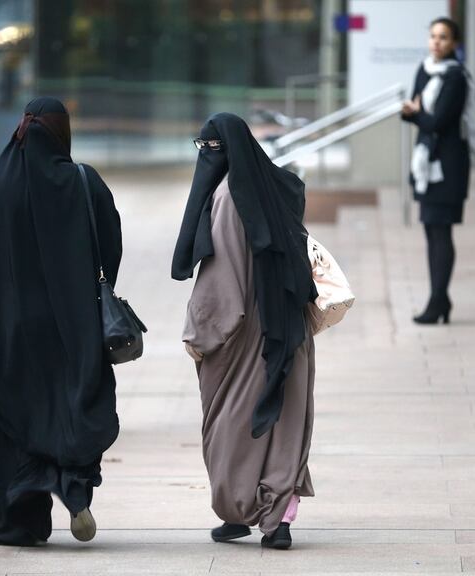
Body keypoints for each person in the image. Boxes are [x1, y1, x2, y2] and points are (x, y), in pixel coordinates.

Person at [0, 96, 123, 546]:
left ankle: (17, 520)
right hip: (72, 329)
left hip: (12, 334)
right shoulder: (83, 182)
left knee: (14, 415)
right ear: (62, 133)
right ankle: (74, 491)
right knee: (71, 406)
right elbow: (109, 249)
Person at [172, 112, 318, 550]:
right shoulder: (278, 187)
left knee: (232, 426)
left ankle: (239, 508)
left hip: (244, 336)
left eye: (209, 148)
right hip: (289, 330)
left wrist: (199, 336)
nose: (206, 157)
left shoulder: (226, 200)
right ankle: (275, 519)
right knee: (285, 425)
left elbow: (223, 286)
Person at [402, 16, 475, 325]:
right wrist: (416, 114)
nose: (437, 42)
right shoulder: (424, 69)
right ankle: (441, 299)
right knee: (430, 230)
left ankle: (437, 301)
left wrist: (418, 114)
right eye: (433, 36)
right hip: (426, 162)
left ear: (455, 44)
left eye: (444, 37)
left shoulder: (456, 78)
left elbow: (439, 122)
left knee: (441, 231)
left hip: (448, 166)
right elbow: (415, 113)